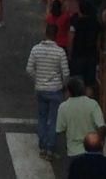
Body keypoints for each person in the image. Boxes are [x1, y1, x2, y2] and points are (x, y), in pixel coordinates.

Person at [27, 23, 70, 160]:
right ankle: (50, 148)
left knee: (42, 118)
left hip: (40, 89)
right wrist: (63, 85)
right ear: (56, 35)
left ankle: (42, 146)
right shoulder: (60, 52)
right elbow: (66, 73)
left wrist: (37, 79)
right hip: (55, 90)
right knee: (53, 120)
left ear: (45, 33)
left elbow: (29, 69)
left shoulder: (35, 49)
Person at [56, 77, 105, 163]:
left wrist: (67, 144)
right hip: (93, 151)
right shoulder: (93, 104)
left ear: (69, 91)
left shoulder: (63, 107)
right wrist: (99, 143)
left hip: (73, 152)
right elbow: (101, 126)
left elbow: (60, 130)